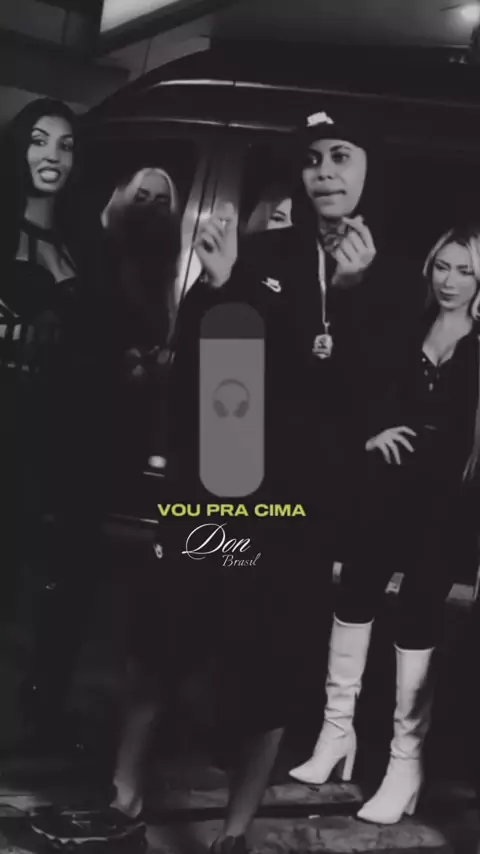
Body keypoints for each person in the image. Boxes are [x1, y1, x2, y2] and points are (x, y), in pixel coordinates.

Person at [124, 110, 424, 854]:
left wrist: (350, 295)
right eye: (313, 158)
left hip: (303, 506)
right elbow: (211, 369)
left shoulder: (393, 276)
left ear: (369, 169)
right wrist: (218, 287)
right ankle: (124, 784)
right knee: (171, 636)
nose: (325, 172)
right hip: (226, 486)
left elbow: (367, 393)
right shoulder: (261, 253)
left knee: (273, 666)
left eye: (341, 156)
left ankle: (234, 831)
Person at [289, 226, 480, 825]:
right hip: (386, 488)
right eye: (442, 266)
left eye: (465, 270)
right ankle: (335, 735)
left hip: (447, 502)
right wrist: (372, 434)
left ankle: (405, 764)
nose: (450, 281)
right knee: (354, 597)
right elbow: (362, 389)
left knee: (419, 617)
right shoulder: (409, 325)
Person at [0, 98, 112, 752]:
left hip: (61, 434)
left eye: (66, 145)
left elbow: (94, 340)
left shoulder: (82, 240)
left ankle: (40, 709)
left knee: (63, 579)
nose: (52, 156)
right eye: (40, 141)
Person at [102, 167, 182, 477]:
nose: (150, 207)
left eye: (161, 201)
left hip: (138, 393)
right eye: (142, 197)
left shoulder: (164, 262)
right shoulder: (106, 250)